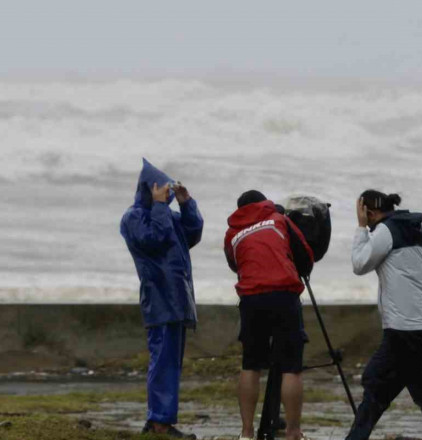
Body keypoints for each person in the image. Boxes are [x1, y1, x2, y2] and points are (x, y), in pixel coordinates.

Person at [346, 190, 422, 440]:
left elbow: (359, 263)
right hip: (420, 327)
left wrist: (361, 228)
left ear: (369, 211)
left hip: (400, 328)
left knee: (418, 395)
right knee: (379, 387)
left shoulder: (385, 231)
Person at [121, 158, 203, 439]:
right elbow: (152, 240)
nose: (166, 194)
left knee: (170, 362)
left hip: (178, 298)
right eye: (162, 189)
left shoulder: (166, 216)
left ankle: (157, 417)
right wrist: (158, 206)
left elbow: (192, 234)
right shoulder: (134, 217)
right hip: (159, 298)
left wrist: (186, 204)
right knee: (163, 361)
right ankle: (160, 423)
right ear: (150, 189)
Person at [223, 190, 314, 440]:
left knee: (250, 364)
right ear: (264, 203)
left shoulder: (231, 233)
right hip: (283, 294)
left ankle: (246, 433)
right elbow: (306, 256)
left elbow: (236, 265)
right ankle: (293, 432)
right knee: (291, 368)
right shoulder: (279, 219)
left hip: (251, 298)